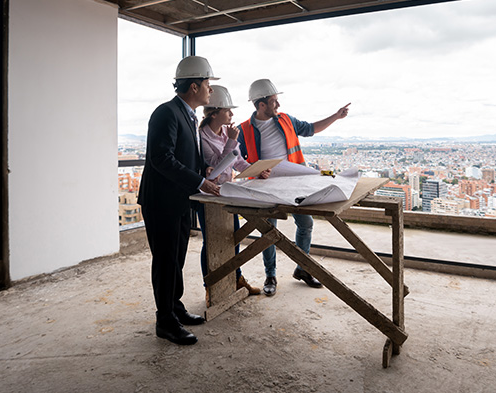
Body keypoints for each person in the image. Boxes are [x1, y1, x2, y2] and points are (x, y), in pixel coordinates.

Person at [237, 78, 350, 296]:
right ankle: (270, 274)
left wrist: (336, 116)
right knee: (267, 231)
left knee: (305, 223)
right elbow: (238, 161)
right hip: (265, 186)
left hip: (295, 182)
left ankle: (302, 269)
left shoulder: (287, 120)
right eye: (273, 101)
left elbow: (310, 129)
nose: (278, 105)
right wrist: (255, 170)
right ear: (261, 105)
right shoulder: (244, 130)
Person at [137, 56, 221, 346]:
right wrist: (199, 182)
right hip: (161, 201)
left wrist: (202, 170)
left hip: (179, 199)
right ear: (195, 86)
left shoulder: (188, 115)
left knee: (177, 258)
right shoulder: (166, 113)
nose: (211, 90)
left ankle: (175, 307)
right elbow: (161, 158)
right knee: (166, 260)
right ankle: (165, 321)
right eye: (209, 84)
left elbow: (183, 156)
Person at [196, 85, 269, 301]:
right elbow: (216, 166)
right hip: (209, 196)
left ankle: (236, 279)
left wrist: (255, 170)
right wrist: (230, 141)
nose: (232, 114)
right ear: (215, 112)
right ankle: (211, 286)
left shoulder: (226, 133)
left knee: (233, 239)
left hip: (227, 192)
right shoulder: (202, 137)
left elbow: (237, 161)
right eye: (228, 111)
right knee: (211, 243)